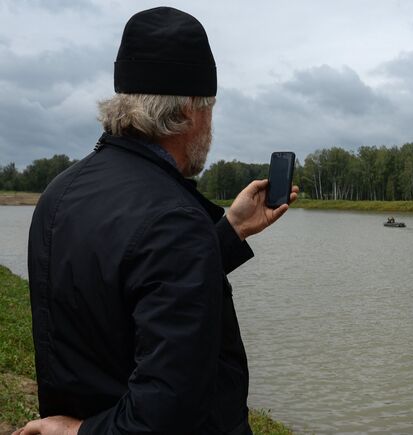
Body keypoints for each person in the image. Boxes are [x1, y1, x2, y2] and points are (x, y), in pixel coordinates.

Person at [17, 7, 297, 435]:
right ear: (190, 110)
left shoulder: (60, 192)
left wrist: (230, 231)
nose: (210, 124)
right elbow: (168, 412)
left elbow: (128, 286)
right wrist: (76, 432)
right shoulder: (173, 219)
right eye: (210, 109)